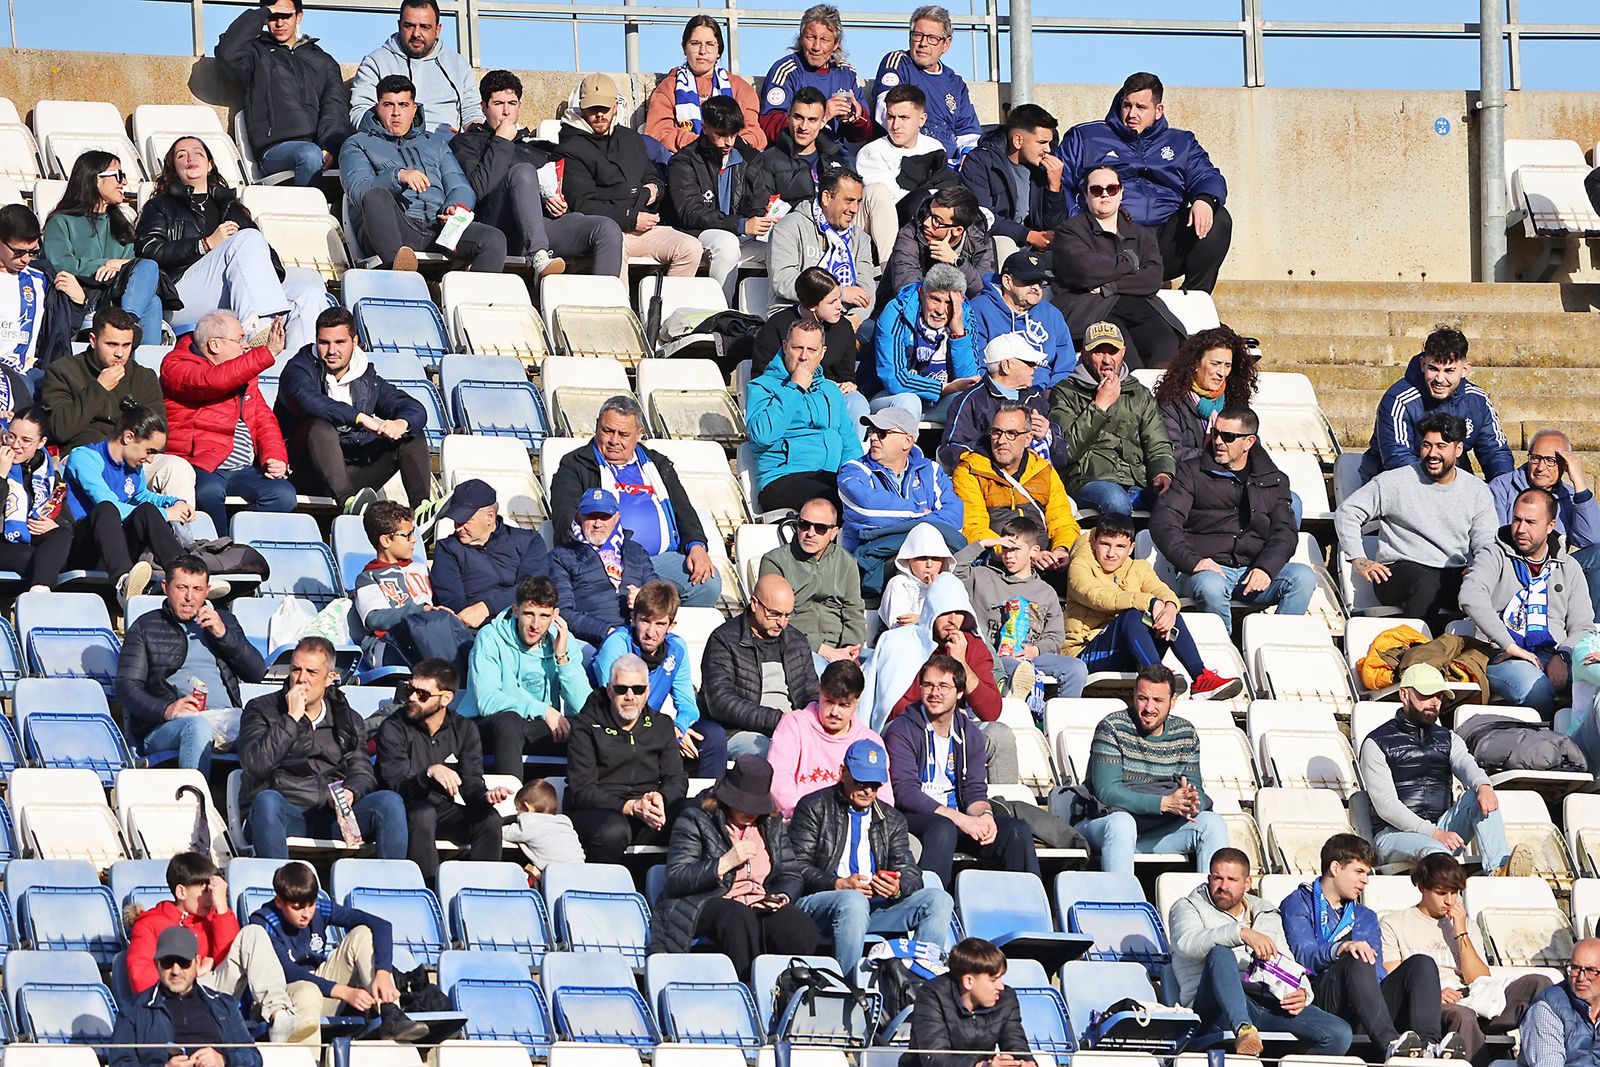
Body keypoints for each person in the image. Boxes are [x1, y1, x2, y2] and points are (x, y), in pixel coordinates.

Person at [135, 137, 327, 354]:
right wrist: (204, 245)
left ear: (210, 164)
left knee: (308, 290)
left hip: (234, 293)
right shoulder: (159, 206)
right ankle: (256, 329)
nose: (190, 158)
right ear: (173, 168)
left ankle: (299, 364)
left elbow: (267, 256)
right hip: (180, 294)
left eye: (198, 152)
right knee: (247, 239)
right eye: (181, 155)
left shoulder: (230, 207)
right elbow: (149, 251)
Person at [1280, 834, 1460, 1060]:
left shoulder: (1365, 916)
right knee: (1357, 955)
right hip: (1323, 998)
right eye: (1359, 872)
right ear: (1335, 868)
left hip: (1365, 1002)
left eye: (1367, 873)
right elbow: (1304, 956)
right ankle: (1391, 1044)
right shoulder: (1299, 902)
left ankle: (1428, 1046)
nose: (1365, 881)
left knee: (1421, 963)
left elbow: (1377, 972)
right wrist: (1341, 948)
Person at [1169, 848, 1353, 1056]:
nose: (1223, 886)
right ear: (1209, 878)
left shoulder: (1266, 912)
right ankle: (1244, 1029)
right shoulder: (1187, 906)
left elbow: (1285, 957)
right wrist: (1241, 933)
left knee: (1339, 1033)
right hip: (1215, 1007)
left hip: (1266, 1001)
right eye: (1217, 878)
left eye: (1231, 879)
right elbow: (1186, 943)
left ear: (1247, 883)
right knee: (1220, 953)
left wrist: (1303, 991)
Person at [790, 737, 953, 972]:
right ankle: (846, 987)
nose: (867, 790)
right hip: (819, 902)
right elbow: (796, 867)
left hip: (871, 906)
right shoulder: (814, 806)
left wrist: (896, 887)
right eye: (860, 782)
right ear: (843, 772)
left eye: (875, 784)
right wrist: (836, 884)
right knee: (853, 901)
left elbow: (910, 871)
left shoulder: (892, 818)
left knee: (939, 900)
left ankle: (918, 983)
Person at [1058, 72, 1231, 294]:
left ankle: (1196, 299)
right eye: (1127, 105)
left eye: (1141, 107)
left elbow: (1207, 176)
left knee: (1218, 218)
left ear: (1158, 111)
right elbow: (1060, 184)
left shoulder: (1181, 142)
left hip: (1165, 239)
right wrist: (1079, 223)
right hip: (1109, 237)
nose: (1132, 114)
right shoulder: (1087, 137)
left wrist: (1205, 200)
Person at [238, 637, 409, 860]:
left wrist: (351, 792)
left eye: (311, 672)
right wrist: (290, 719)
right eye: (295, 670)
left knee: (389, 802)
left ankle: (390, 889)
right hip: (282, 812)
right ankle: (279, 889)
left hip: (332, 815)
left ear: (330, 678)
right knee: (267, 801)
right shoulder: (261, 709)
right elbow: (255, 765)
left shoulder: (347, 718)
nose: (301, 679)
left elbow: (362, 771)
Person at [1150, 405, 1313, 634]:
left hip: (1252, 570)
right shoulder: (1191, 472)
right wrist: (1194, 562)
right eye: (1216, 434)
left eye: (1228, 437)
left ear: (1249, 442)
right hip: (1205, 570)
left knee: (1303, 577)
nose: (1218, 441)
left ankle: (1275, 646)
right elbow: (1163, 522)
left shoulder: (1273, 479)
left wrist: (1265, 569)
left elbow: (1285, 532)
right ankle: (1225, 652)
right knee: (1210, 585)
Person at [123, 852, 313, 1048]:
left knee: (253, 933)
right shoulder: (149, 924)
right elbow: (142, 983)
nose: (211, 897)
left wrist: (222, 907)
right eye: (205, 891)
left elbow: (232, 957)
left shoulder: (211, 918)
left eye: (212, 890)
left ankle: (279, 1016)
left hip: (211, 995)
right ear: (181, 892)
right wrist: (194, 972)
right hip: (172, 1002)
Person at [548, 396, 723, 607]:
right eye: (607, 431)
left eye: (623, 434)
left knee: (708, 583)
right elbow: (564, 517)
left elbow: (683, 510)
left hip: (659, 560)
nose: (614, 440)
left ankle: (656, 617)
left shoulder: (657, 464)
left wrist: (697, 546)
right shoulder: (576, 464)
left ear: (639, 434)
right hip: (604, 561)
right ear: (597, 426)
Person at [652, 756, 816, 978]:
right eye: (743, 803)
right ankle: (746, 989)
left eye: (756, 806)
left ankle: (788, 992)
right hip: (705, 902)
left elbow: (791, 874)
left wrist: (782, 896)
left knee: (798, 926)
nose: (751, 812)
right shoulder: (695, 819)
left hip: (758, 902)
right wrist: (724, 863)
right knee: (738, 918)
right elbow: (677, 878)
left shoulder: (771, 824)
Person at [450, 70, 624, 279]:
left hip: (540, 227)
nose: (506, 112)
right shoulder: (466, 143)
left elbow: (563, 186)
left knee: (606, 229)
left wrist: (559, 203)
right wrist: (501, 142)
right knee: (523, 171)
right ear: (484, 107)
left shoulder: (536, 147)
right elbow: (477, 191)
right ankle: (537, 256)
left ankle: (603, 305)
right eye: (498, 104)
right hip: (497, 227)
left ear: (520, 107)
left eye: (512, 103)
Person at [884, 653, 1038, 887]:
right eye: (928, 685)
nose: (935, 693)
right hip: (914, 817)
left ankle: (1025, 906)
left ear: (959, 692)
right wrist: (960, 819)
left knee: (1015, 831)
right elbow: (905, 793)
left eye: (944, 686)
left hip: (959, 819)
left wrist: (985, 816)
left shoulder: (970, 734)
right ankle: (933, 908)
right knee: (943, 827)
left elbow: (974, 791)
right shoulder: (902, 729)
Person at [1336, 412, 1500, 631]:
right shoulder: (1394, 481)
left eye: (1441, 446)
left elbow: (1486, 540)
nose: (1432, 453)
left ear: (1458, 449)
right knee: (1427, 585)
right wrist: (1359, 558)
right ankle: (1415, 656)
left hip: (1451, 570)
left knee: (1488, 586)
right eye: (1426, 445)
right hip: (1398, 570)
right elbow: (1347, 512)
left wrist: (1480, 569)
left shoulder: (1477, 490)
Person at [1380, 854, 1551, 1063]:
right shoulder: (1394, 923)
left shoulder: (1466, 924)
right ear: (1422, 886)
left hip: (1475, 997)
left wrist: (1460, 932)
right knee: (1463, 1016)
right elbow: (1394, 976)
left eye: (1454, 893)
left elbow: (1479, 978)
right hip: (1433, 1006)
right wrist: (1431, 993)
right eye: (1442, 893)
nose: (1449, 901)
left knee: (1540, 984)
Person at [1358, 664, 1518, 872]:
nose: (1435, 702)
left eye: (1439, 696)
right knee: (1435, 851)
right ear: (1404, 694)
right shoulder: (1376, 742)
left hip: (1440, 830)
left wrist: (1483, 786)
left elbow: (1466, 764)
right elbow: (1387, 806)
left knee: (1480, 796)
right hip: (1393, 835)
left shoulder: (1449, 738)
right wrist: (1433, 833)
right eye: (1427, 695)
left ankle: (1499, 869)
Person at [1065, 513, 1242, 698]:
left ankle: (1200, 678)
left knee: (1169, 614)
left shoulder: (1138, 568)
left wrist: (1170, 607)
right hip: (1086, 653)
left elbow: (1163, 591)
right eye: (1105, 544)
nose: (1111, 553)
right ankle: (1158, 677)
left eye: (1120, 547)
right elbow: (1099, 597)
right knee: (1134, 614)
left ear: (1131, 548)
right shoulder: (1080, 566)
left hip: (1128, 650)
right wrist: (1150, 602)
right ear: (1093, 542)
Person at [341, 75, 506, 273]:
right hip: (394, 229)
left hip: (438, 228)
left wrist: (453, 208)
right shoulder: (356, 143)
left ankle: (476, 301)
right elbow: (359, 191)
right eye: (388, 105)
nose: (396, 113)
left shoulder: (435, 143)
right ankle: (400, 272)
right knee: (376, 195)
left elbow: (460, 186)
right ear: (378, 107)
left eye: (403, 105)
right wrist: (398, 176)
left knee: (493, 239)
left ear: (414, 108)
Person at [251, 859, 428, 1042]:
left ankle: (390, 1012)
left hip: (321, 988)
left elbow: (381, 925)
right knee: (307, 990)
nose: (306, 914)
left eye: (310, 905)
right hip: (283, 999)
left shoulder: (318, 908)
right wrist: (344, 992)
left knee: (362, 933)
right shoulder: (263, 921)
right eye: (297, 908)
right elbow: (289, 972)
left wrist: (383, 972)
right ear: (279, 902)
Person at [117, 555, 265, 774]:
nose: (189, 597)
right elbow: (126, 686)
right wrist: (166, 709)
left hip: (226, 719)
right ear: (166, 587)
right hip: (168, 725)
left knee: (267, 725)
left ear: (207, 591)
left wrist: (223, 634)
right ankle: (193, 804)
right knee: (197, 727)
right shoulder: (146, 626)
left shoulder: (225, 622)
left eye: (197, 589)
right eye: (182, 587)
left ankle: (261, 805)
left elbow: (257, 672)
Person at [275, 306, 431, 513]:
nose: (331, 351)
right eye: (324, 342)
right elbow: (308, 401)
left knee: (411, 433)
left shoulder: (367, 377)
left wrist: (401, 423)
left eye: (340, 342)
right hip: (305, 473)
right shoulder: (298, 370)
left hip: (353, 471)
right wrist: (360, 418)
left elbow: (413, 407)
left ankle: (422, 509)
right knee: (319, 426)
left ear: (354, 342)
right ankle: (349, 502)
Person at [1075, 665, 1227, 874]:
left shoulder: (1186, 732)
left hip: (1156, 832)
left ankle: (1205, 905)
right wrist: (1164, 803)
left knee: (1213, 823)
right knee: (1122, 824)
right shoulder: (1112, 727)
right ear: (1133, 695)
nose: (1149, 708)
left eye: (1158, 700)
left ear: (1173, 701)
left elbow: (1196, 789)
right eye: (1143, 698)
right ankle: (1120, 902)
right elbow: (1107, 792)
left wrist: (1189, 801)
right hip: (1105, 824)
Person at [1460, 487, 1597, 716]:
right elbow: (1470, 596)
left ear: (1550, 526)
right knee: (1537, 688)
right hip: (1502, 655)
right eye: (1516, 520)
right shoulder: (1493, 555)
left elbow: (1583, 625)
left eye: (1530, 522)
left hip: (1555, 652)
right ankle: (1544, 743)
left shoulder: (1568, 566)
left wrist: (1563, 655)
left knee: (1596, 678)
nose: (1521, 529)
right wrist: (1510, 646)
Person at [558, 73, 704, 282]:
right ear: (582, 108)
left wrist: (653, 189)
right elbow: (582, 204)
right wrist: (629, 218)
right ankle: (621, 311)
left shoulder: (630, 138)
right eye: (592, 109)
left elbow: (652, 176)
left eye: (604, 108)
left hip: (642, 226)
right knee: (613, 245)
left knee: (690, 248)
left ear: (615, 107)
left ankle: (669, 310)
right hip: (604, 232)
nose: (599, 115)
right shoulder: (569, 147)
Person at [375, 657, 509, 883]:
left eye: (422, 694)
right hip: (402, 810)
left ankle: (481, 893)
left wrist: (486, 796)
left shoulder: (465, 729)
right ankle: (428, 892)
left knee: (489, 819)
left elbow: (471, 782)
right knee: (422, 813)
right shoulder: (393, 727)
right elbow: (395, 784)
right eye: (410, 689)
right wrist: (429, 773)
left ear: (446, 698)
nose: (412, 698)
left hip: (444, 810)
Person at [161, 309, 296, 532]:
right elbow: (211, 381)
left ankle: (241, 545)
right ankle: (217, 547)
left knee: (283, 495)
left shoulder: (244, 372)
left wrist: (275, 456)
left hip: (244, 469)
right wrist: (266, 353)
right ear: (214, 344)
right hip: (200, 463)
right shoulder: (176, 365)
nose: (245, 345)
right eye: (240, 339)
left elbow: (263, 420)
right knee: (208, 491)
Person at [456, 576, 592, 774]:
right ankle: (508, 801)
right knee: (509, 723)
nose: (535, 624)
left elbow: (583, 707)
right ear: (516, 610)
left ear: (555, 615)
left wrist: (562, 659)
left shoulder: (563, 640)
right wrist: (543, 710)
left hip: (536, 726)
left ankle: (580, 801)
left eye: (544, 616)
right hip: (484, 727)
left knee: (589, 730)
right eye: (529, 614)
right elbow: (487, 702)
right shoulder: (490, 637)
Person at [62, 399, 192, 604]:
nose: (150, 460)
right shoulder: (85, 457)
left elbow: (144, 497)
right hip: (81, 547)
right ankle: (124, 583)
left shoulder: (134, 467)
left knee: (147, 510)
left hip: (115, 548)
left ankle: (188, 578)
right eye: (149, 451)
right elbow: (107, 503)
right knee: (106, 509)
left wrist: (175, 502)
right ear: (128, 437)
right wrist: (167, 514)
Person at [1051, 164, 1180, 368]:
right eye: (1096, 190)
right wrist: (1131, 262)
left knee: (1168, 348)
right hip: (1093, 310)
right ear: (1086, 195)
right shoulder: (1069, 232)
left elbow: (1153, 277)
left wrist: (1108, 286)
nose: (1104, 195)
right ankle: (1131, 397)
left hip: (1139, 306)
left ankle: (1163, 399)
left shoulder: (1141, 234)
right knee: (1124, 356)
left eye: (1111, 189)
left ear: (1120, 193)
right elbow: (1086, 271)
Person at [594, 579, 726, 776]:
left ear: (671, 625)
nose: (650, 632)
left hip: (653, 727)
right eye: (645, 621)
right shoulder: (616, 645)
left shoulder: (676, 649)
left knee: (713, 737)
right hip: (613, 729)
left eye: (660, 624)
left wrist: (678, 729)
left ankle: (707, 803)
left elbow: (689, 706)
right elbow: (617, 707)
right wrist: (665, 732)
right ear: (633, 618)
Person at [566, 653, 689, 865]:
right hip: (599, 813)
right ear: (609, 689)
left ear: (647, 690)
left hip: (648, 812)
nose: (630, 696)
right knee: (614, 830)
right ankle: (598, 891)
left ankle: (681, 891)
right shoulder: (586, 726)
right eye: (622, 689)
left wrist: (662, 799)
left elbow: (677, 779)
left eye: (638, 689)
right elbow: (582, 789)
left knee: (695, 814)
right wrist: (630, 806)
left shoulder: (662, 725)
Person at [953, 515, 1087, 702]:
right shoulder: (982, 577)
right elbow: (951, 570)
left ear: (1034, 551)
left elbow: (1055, 636)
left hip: (1031, 655)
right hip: (992, 656)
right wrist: (983, 543)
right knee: (1014, 668)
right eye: (1005, 548)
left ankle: (1061, 723)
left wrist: (1036, 650)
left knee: (1076, 669)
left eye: (1016, 549)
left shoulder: (1045, 591)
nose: (1009, 555)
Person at [217, 0, 351, 187]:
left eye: (286, 15)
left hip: (318, 148)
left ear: (299, 16)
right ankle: (307, 215)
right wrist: (261, 13)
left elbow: (335, 107)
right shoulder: (255, 54)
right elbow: (227, 52)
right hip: (274, 151)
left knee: (360, 154)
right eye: (273, 16)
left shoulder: (323, 61)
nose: (279, 23)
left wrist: (331, 146)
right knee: (308, 154)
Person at [1049, 320, 1176, 516]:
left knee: (1178, 499)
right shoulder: (1065, 392)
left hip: (1136, 480)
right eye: (1099, 352)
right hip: (1087, 480)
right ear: (1084, 355)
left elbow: (1158, 444)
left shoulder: (1139, 393)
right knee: (1116, 500)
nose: (1108, 360)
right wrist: (1100, 405)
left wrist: (1163, 473)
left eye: (1113, 351)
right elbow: (1066, 450)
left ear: (1123, 352)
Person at [838, 405, 965, 597]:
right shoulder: (853, 470)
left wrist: (895, 527)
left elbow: (954, 520)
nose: (873, 437)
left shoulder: (931, 471)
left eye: (882, 433)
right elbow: (866, 509)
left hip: (926, 565)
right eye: (872, 431)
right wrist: (919, 514)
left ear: (907, 441)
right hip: (872, 568)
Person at [1358, 327, 1512, 483]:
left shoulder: (1477, 400)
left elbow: (1495, 452)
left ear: (1465, 370)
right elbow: (1398, 459)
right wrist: (1442, 491)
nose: (1440, 379)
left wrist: (1503, 490)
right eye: (1433, 369)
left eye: (1449, 371)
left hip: (1450, 480)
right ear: (1423, 364)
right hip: (1394, 483)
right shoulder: (1398, 400)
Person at [42, 150, 164, 343]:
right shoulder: (61, 221)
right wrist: (106, 263)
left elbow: (131, 266)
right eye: (118, 175)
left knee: (152, 292)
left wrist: (116, 266)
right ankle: (124, 326)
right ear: (96, 179)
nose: (123, 182)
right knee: (148, 276)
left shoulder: (121, 225)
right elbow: (60, 264)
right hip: (81, 296)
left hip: (114, 295)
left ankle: (144, 364)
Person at [746, 318, 863, 513]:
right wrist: (795, 387)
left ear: (822, 353)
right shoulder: (762, 387)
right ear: (785, 347)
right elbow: (762, 435)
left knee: (869, 495)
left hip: (829, 477)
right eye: (797, 348)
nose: (803, 356)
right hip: (782, 478)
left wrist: (860, 477)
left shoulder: (830, 390)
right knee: (838, 500)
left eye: (811, 350)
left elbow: (849, 442)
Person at [666, 94, 774, 303]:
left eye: (733, 134)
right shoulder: (684, 161)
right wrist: (742, 224)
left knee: (782, 249)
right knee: (726, 244)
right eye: (721, 134)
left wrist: (762, 220)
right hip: (695, 236)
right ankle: (720, 315)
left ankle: (779, 316)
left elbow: (758, 200)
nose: (729, 142)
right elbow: (690, 213)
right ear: (704, 127)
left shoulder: (749, 157)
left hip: (740, 236)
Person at [110, 925, 267, 1067]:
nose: (176, 971)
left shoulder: (224, 1005)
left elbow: (253, 1058)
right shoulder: (133, 1009)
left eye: (184, 962)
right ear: (156, 964)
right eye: (167, 962)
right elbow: (119, 1062)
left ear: (197, 963)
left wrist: (223, 1060)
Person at [701, 573, 820, 759]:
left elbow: (812, 692)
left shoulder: (796, 641)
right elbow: (720, 702)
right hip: (739, 730)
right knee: (773, 754)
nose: (781, 622)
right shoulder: (724, 640)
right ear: (754, 603)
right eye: (774, 614)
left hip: (794, 727)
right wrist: (777, 719)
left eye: (787, 615)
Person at [352, 501, 476, 675]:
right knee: (430, 625)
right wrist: (420, 610)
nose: (414, 540)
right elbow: (373, 618)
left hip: (430, 638)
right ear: (386, 540)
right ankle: (451, 685)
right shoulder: (368, 578)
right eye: (407, 535)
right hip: (388, 645)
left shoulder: (421, 569)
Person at [950, 402, 1079, 556]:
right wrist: (1021, 555)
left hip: (1046, 558)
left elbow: (1062, 521)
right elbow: (974, 528)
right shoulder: (970, 471)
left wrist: (1061, 550)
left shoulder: (1043, 470)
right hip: (997, 562)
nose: (1001, 440)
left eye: (1012, 433)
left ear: (1028, 439)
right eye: (996, 432)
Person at [1490, 429, 1600, 610]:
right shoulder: (1502, 487)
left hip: (1556, 573)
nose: (1541, 467)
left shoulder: (1570, 495)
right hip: (1515, 571)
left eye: (1551, 461)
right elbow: (1498, 539)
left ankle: (1591, 632)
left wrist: (1579, 482)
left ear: (1564, 465)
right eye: (1535, 458)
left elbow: (1592, 539)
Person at [769, 661, 890, 817]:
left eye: (844, 705)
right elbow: (779, 782)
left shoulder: (871, 742)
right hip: (801, 822)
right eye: (829, 701)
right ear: (820, 691)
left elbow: (884, 798)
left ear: (857, 701)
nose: (834, 712)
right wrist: (809, 817)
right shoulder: (794, 724)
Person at [758, 497, 866, 668]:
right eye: (804, 524)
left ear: (833, 533)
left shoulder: (846, 562)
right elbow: (772, 618)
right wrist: (822, 649)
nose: (810, 532)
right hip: (798, 648)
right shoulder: (775, 561)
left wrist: (849, 649)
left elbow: (854, 611)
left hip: (842, 649)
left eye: (821, 528)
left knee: (885, 664)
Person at [750, 265, 866, 426]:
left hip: (831, 395)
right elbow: (762, 375)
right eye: (832, 302)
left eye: (839, 298)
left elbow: (846, 374)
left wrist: (848, 384)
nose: (840, 306)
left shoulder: (844, 327)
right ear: (812, 305)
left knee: (857, 402)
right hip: (789, 393)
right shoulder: (777, 325)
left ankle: (850, 450)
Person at [431, 478, 552, 629]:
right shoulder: (447, 549)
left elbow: (534, 589)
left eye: (465, 520)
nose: (458, 527)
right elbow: (452, 602)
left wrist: (487, 607)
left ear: (490, 516)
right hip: (474, 630)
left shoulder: (528, 541)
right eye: (456, 520)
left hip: (527, 624)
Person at [855, 85, 956, 263]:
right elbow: (890, 200)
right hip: (881, 226)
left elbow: (943, 185)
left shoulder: (934, 147)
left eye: (904, 118)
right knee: (879, 191)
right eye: (891, 117)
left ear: (922, 119)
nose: (896, 125)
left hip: (927, 218)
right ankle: (890, 268)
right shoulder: (871, 152)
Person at [350, 0, 482, 133]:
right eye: (409, 26)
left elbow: (472, 112)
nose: (416, 34)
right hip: (392, 146)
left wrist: (474, 138)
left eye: (425, 27)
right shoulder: (375, 62)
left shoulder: (458, 64)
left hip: (449, 148)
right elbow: (361, 113)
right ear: (399, 25)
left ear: (437, 30)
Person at [938, 332, 1063, 471]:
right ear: (1006, 365)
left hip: (1039, 485)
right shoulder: (970, 401)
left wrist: (1049, 437)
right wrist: (999, 451)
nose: (1035, 367)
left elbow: (1064, 458)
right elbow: (951, 452)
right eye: (1029, 363)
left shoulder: (1036, 400)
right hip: (989, 485)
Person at [549, 487, 658, 648]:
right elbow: (562, 612)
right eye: (591, 516)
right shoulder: (560, 556)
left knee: (677, 646)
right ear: (579, 517)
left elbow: (663, 600)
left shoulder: (637, 551)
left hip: (641, 636)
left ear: (617, 518)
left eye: (605, 517)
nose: (598, 524)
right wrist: (609, 633)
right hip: (592, 641)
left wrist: (645, 599)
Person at [870, 266, 980, 425]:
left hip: (939, 401)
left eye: (949, 302)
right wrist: (943, 388)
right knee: (910, 401)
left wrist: (958, 333)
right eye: (935, 299)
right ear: (922, 293)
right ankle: (909, 450)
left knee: (971, 402)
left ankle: (956, 450)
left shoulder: (965, 316)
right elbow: (894, 379)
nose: (940, 310)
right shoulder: (898, 311)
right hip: (891, 396)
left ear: (960, 302)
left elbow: (970, 379)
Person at [870, 6, 981, 159]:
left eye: (932, 38)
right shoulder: (898, 63)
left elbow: (968, 132)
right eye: (918, 36)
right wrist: (927, 150)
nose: (923, 43)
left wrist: (967, 156)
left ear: (946, 44)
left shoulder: (955, 83)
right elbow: (886, 112)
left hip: (948, 168)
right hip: (905, 160)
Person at [647, 15, 768, 153]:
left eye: (710, 44)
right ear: (684, 48)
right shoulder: (669, 87)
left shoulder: (740, 88)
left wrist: (727, 142)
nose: (702, 51)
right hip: (685, 163)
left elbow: (755, 134)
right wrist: (703, 143)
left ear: (719, 50)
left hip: (732, 162)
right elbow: (657, 133)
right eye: (695, 43)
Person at [906, 937, 1032, 1067]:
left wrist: (1024, 1063)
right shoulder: (931, 996)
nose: (1001, 986)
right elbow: (935, 1058)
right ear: (968, 981)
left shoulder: (1006, 997)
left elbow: (1016, 1044)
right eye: (994, 980)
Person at [767, 169, 874, 320]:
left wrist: (855, 318)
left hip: (844, 317)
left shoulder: (860, 238)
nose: (855, 209)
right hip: (797, 314)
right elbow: (783, 280)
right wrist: (840, 293)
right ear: (826, 197)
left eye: (858, 202)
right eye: (849, 201)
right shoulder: (789, 227)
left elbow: (867, 291)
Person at [960, 104, 1067, 256]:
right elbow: (980, 216)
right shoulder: (980, 162)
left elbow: (1053, 226)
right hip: (992, 244)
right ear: (1018, 141)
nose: (1048, 149)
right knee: (1005, 245)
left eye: (1049, 143)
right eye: (1042, 142)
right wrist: (1028, 235)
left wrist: (1054, 187)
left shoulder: (1045, 168)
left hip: (1036, 249)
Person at [757, 5, 871, 145]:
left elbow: (862, 134)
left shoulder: (845, 73)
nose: (816, 47)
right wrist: (821, 116)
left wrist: (856, 118)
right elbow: (769, 124)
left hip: (834, 156)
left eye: (824, 40)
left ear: (836, 44)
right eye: (810, 37)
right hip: (793, 157)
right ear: (800, 39)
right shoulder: (786, 71)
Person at [965, 250, 1076, 388]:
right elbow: (976, 364)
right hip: (996, 395)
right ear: (1007, 281)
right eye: (1028, 281)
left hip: (1043, 394)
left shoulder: (1051, 314)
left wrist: (1054, 393)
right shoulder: (980, 308)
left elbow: (1066, 365)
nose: (1036, 287)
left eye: (1040, 282)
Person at [1153, 325, 1258, 463]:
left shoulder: (1235, 399)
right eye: (1215, 363)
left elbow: (1252, 447)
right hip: (1188, 479)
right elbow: (1171, 452)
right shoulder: (1170, 401)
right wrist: (1220, 457)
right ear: (1196, 363)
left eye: (1227, 365)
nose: (1222, 373)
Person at [0, 204, 84, 377]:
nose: (25, 259)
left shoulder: (42, 280)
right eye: (18, 252)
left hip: (28, 373)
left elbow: (61, 331)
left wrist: (79, 303)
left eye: (32, 252)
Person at [881, 185, 995, 303]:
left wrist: (956, 262)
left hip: (960, 314)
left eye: (936, 220)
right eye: (929, 213)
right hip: (904, 312)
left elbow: (984, 295)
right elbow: (907, 291)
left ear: (957, 230)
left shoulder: (980, 242)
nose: (926, 222)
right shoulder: (911, 234)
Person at [0, 406, 72, 591]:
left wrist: (55, 524)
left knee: (61, 536)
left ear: (41, 442)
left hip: (32, 542)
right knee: (36, 558)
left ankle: (38, 592)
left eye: (26, 440)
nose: (15, 445)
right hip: (4, 542)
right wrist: (1, 475)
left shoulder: (48, 473)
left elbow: (66, 519)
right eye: (11, 436)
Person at [759, 87, 852, 207]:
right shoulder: (767, 161)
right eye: (798, 117)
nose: (803, 126)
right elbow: (762, 210)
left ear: (823, 122)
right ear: (788, 117)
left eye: (812, 120)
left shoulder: (838, 162)